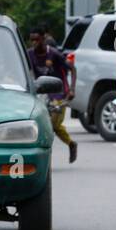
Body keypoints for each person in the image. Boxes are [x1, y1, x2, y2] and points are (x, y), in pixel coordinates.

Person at [27, 26, 77, 163]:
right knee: (39, 126)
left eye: (37, 40)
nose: (34, 43)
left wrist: (72, 89)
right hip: (41, 96)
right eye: (32, 40)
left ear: (43, 39)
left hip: (58, 95)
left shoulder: (54, 54)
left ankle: (69, 144)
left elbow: (72, 68)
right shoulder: (29, 54)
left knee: (53, 125)